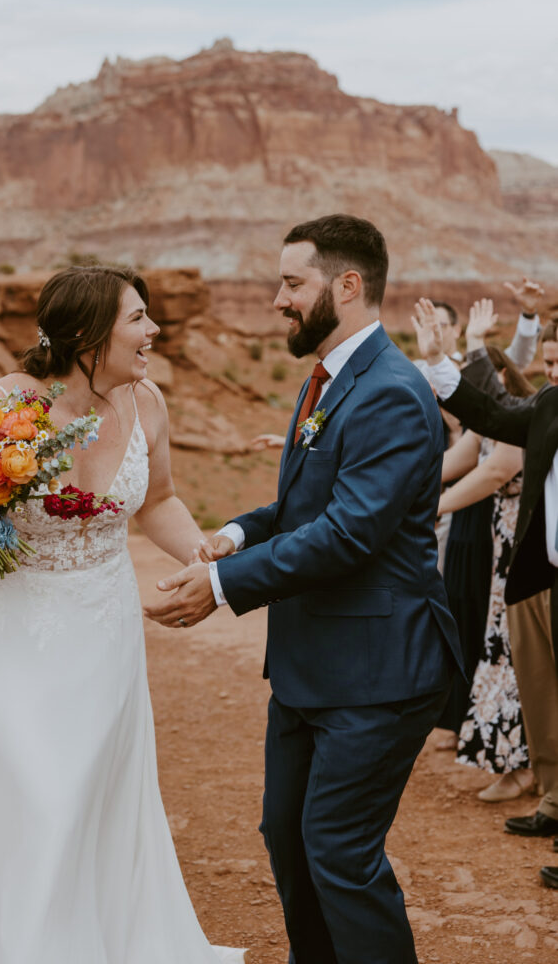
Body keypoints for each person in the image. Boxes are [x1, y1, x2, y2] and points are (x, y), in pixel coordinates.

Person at [0, 266, 245, 963]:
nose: (153, 331)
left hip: (103, 622)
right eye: (137, 319)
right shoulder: (1, 405)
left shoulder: (147, 403)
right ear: (88, 333)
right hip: (9, 625)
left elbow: (158, 501)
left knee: (89, 785)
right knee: (26, 782)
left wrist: (204, 556)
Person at [146, 215, 463, 964]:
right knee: (287, 838)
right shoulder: (327, 379)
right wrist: (234, 535)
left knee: (339, 855)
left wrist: (221, 585)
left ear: (346, 286)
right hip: (311, 664)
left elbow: (351, 533)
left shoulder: (388, 390)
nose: (277, 298)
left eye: (292, 282)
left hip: (378, 667)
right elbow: (300, 510)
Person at [413, 296, 558, 891]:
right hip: (538, 575)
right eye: (551, 360)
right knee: (543, 699)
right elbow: (492, 415)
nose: (554, 370)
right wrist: (442, 359)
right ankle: (552, 799)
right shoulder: (550, 402)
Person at [437, 348, 536, 801]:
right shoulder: (487, 425)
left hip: (527, 554)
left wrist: (428, 507)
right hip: (503, 555)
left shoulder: (520, 417)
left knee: (516, 657)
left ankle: (524, 766)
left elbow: (498, 472)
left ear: (499, 379)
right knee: (502, 652)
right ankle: (519, 763)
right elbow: (447, 465)